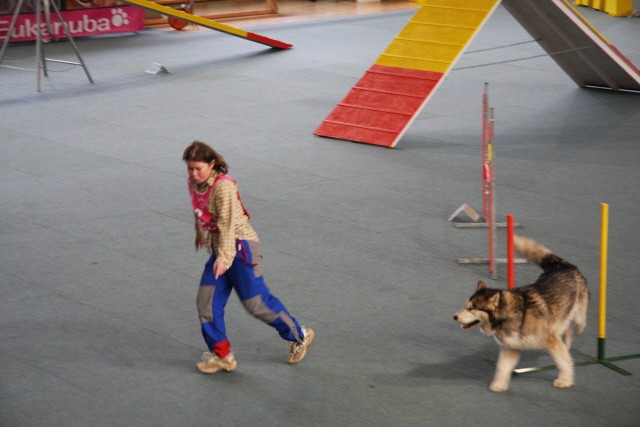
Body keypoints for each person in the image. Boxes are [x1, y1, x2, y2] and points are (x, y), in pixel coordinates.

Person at [183, 141, 314, 373]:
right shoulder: (195, 182)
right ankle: (222, 355)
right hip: (221, 247)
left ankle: (299, 335)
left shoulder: (223, 187)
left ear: (212, 164)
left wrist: (223, 259)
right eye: (190, 168)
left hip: (241, 247)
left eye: (198, 168)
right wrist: (200, 233)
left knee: (256, 304)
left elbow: (227, 225)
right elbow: (200, 210)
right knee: (206, 301)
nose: (193, 173)